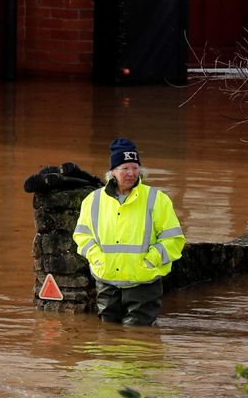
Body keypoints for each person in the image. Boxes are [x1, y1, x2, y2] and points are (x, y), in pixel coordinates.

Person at [73, 138, 185, 326]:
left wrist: (151, 260)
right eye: (125, 168)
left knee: (138, 337)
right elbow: (82, 236)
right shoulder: (93, 200)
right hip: (107, 281)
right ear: (112, 172)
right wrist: (97, 258)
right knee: (107, 335)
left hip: (144, 283)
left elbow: (174, 239)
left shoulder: (157, 199)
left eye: (135, 167)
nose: (131, 173)